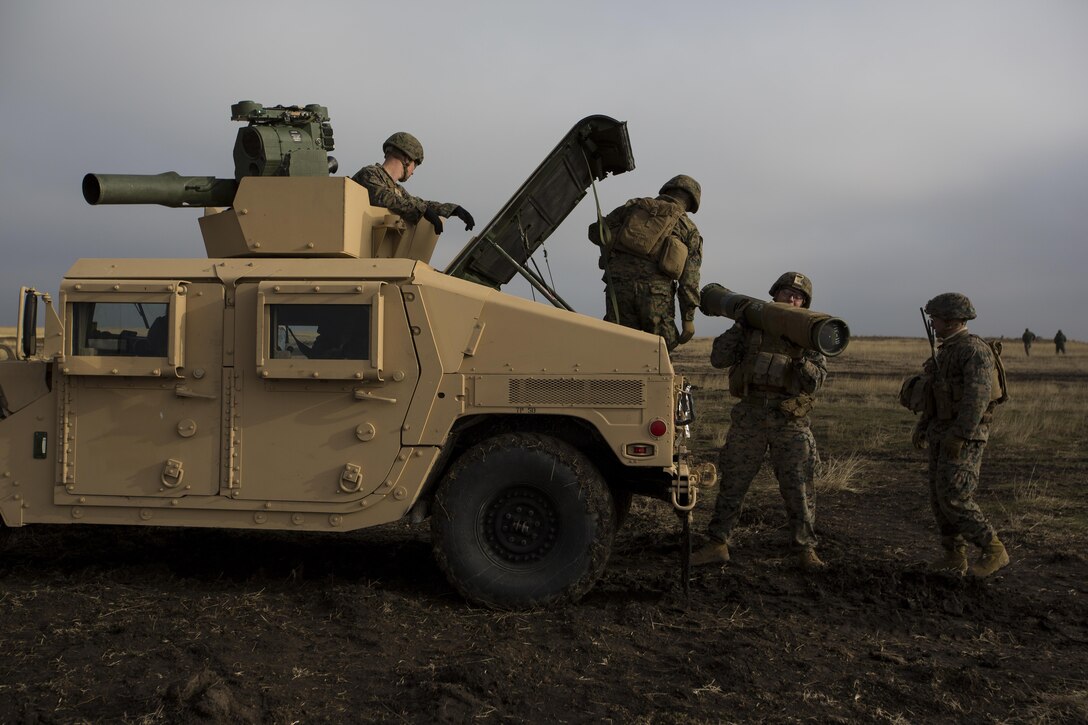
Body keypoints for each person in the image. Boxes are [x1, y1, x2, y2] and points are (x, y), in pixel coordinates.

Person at [691, 272, 828, 571]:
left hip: (789, 419)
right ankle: (717, 543)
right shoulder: (752, 326)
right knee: (733, 483)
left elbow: (815, 382)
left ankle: (805, 549)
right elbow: (719, 358)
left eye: (798, 296)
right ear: (775, 294)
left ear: (804, 304)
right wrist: (740, 324)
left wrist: (798, 358)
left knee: (799, 487)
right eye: (787, 293)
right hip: (750, 416)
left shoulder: (809, 333)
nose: (792, 299)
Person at [912, 293, 1009, 578]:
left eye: (936, 318)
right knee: (938, 496)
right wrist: (923, 426)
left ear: (952, 320)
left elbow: (976, 400)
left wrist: (961, 435)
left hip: (964, 436)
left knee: (956, 496)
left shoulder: (973, 350)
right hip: (941, 431)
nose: (933, 323)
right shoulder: (947, 349)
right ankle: (953, 554)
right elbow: (937, 392)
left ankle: (993, 549)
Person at [588, 175, 703, 351]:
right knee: (658, 350)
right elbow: (690, 279)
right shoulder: (688, 228)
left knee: (619, 348)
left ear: (667, 190)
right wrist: (688, 318)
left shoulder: (633, 207)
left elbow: (596, 232)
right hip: (657, 295)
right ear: (691, 202)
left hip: (619, 289)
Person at [351, 132, 475, 234]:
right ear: (407, 159)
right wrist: (423, 211)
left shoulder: (396, 189)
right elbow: (383, 197)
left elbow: (417, 203)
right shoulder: (369, 174)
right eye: (415, 166)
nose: (413, 172)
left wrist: (451, 209)